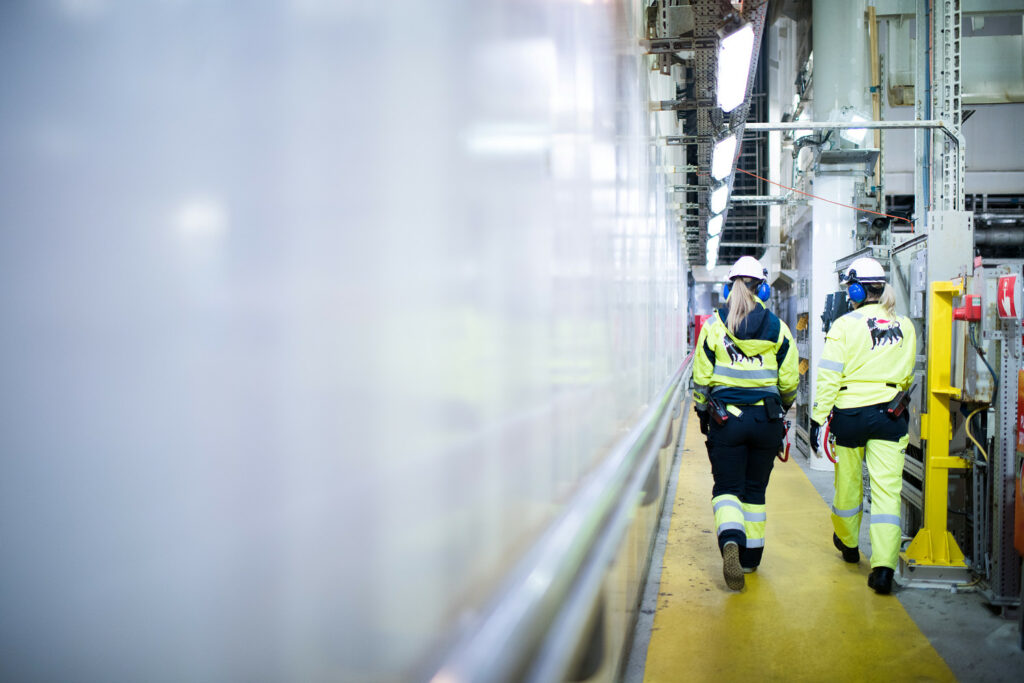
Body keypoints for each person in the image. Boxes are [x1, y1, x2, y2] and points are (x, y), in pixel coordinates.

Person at [810, 256, 916, 595]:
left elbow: (829, 378)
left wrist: (817, 418)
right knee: (887, 493)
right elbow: (908, 375)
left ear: (856, 289)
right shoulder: (906, 326)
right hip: (890, 416)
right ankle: (884, 568)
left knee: (848, 485)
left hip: (851, 416)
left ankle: (849, 544)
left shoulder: (844, 325)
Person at [693, 256, 799, 590]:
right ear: (763, 289)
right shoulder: (779, 330)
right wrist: (781, 407)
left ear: (729, 287)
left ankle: (730, 542)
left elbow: (701, 377)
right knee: (755, 491)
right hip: (766, 421)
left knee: (728, 490)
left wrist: (700, 410)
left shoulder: (713, 326)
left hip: (727, 421)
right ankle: (750, 561)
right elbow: (790, 381)